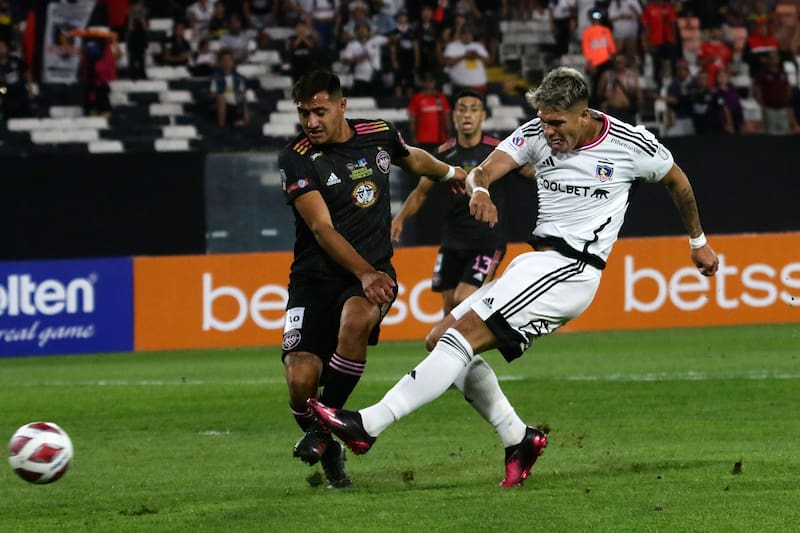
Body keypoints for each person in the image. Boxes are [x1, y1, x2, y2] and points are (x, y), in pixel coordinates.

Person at [307, 66, 720, 488]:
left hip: (572, 269)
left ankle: (369, 425)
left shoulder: (630, 145)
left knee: (459, 338)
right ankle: (518, 438)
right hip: (535, 263)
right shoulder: (535, 134)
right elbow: (482, 171)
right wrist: (480, 191)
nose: (548, 131)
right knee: (439, 338)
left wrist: (698, 241)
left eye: (557, 123)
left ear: (583, 115)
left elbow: (677, 182)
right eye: (543, 121)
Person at [280, 70, 468, 489]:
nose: (311, 121)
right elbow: (321, 229)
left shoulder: (378, 134)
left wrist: (452, 174)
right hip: (313, 279)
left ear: (341, 106)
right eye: (304, 113)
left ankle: (321, 433)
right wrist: (362, 272)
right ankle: (330, 446)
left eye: (320, 111)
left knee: (357, 319)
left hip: (373, 273)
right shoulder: (295, 157)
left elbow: (414, 158)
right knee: (299, 382)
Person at [392, 89, 533, 316]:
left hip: (488, 242)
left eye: (474, 109)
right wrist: (400, 218)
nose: (467, 114)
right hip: (453, 242)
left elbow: (530, 172)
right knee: (449, 308)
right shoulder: (443, 153)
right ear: (454, 115)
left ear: (483, 116)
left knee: (463, 299)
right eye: (462, 109)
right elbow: (420, 193)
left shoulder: (498, 150)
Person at [210, 48, 250, 126]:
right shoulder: (216, 78)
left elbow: (243, 95)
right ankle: (221, 126)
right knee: (221, 98)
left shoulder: (239, 78)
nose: (227, 62)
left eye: (229, 60)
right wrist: (221, 95)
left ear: (232, 62)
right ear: (220, 63)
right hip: (221, 105)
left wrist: (246, 111)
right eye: (224, 60)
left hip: (235, 105)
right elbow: (213, 94)